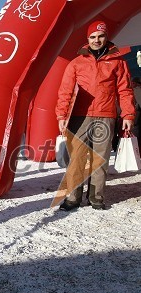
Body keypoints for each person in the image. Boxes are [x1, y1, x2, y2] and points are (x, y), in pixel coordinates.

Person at [55, 21, 136, 211]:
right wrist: (61, 115)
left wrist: (128, 115)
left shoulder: (119, 61)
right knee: (76, 160)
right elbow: (65, 91)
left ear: (106, 37)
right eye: (93, 37)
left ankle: (96, 197)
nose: (97, 40)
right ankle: (73, 198)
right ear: (87, 39)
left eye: (100, 36)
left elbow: (125, 90)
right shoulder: (76, 63)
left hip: (106, 115)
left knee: (100, 159)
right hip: (79, 117)